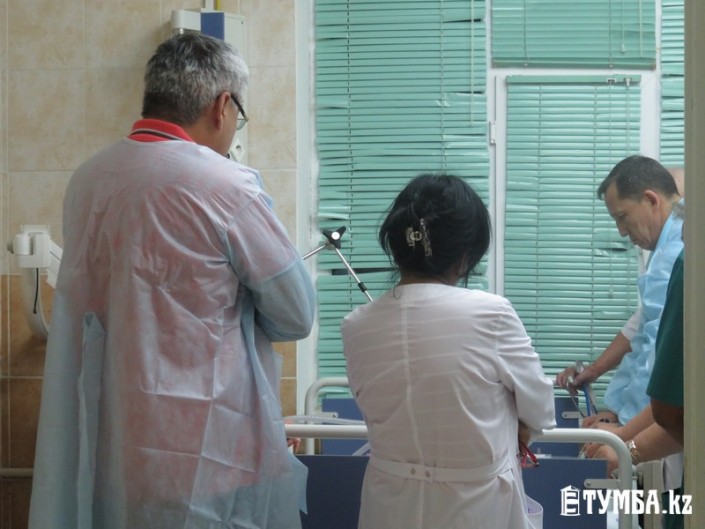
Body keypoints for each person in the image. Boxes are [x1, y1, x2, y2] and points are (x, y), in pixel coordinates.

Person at [28, 33, 316, 529]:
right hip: (209, 452)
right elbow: (296, 314)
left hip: (116, 451)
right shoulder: (228, 187)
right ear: (222, 106)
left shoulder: (89, 180)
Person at [341, 173, 556, 529]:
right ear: (466, 253)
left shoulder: (356, 325)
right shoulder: (491, 314)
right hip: (477, 506)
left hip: (389, 503)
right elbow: (540, 407)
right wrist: (518, 426)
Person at [555, 155, 683, 430]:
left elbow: (654, 352)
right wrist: (613, 408)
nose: (622, 232)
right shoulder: (672, 237)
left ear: (651, 199)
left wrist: (623, 428)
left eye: (622, 217)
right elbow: (642, 327)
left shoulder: (674, 251)